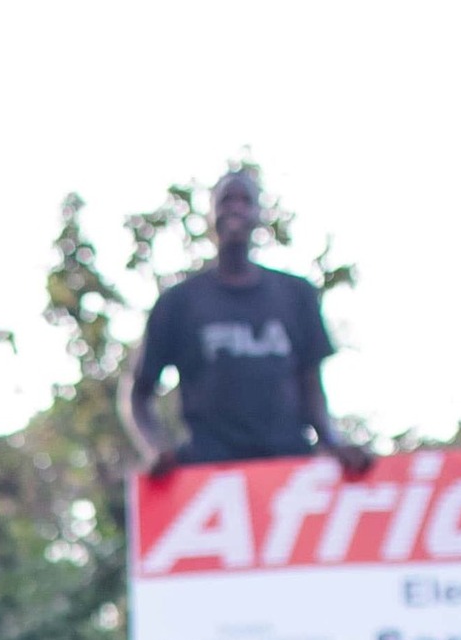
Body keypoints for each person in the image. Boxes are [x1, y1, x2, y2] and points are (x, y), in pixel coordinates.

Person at [121, 167, 371, 477]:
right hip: (207, 474)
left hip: (288, 466)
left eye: (245, 200)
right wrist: (156, 448)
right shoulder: (178, 303)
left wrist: (333, 442)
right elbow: (138, 391)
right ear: (210, 214)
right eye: (226, 199)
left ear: (258, 214)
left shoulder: (296, 295)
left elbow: (311, 385)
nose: (235, 207)